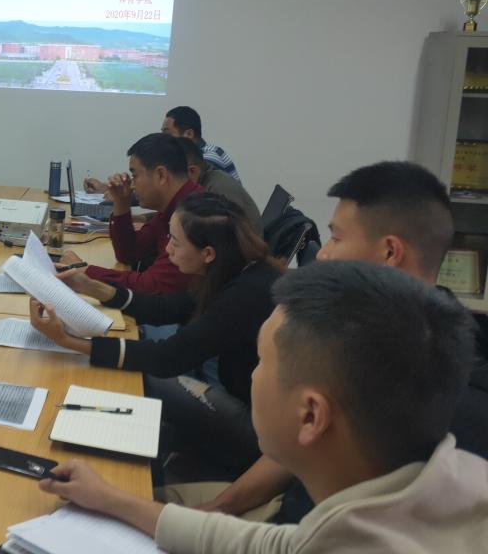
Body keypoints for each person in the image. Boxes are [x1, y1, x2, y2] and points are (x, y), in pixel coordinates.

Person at [39, 260, 488, 553]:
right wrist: (110, 498)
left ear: (310, 416)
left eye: (262, 363)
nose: (251, 376)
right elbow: (274, 545)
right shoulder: (442, 480)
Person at [182, 160, 488, 523]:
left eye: (336, 238)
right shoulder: (362, 330)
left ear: (390, 253)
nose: (323, 254)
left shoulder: (449, 386)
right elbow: (297, 445)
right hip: (284, 516)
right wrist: (220, 507)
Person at [31, 192, 282, 476]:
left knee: (140, 378)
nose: (167, 249)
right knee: (127, 367)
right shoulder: (231, 267)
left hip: (258, 430)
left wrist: (69, 342)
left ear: (208, 253)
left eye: (175, 242)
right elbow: (164, 308)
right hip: (233, 391)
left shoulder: (245, 294)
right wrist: (90, 286)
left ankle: (146, 469)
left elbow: (166, 359)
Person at [64, 133, 204, 296]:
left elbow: (151, 285)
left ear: (161, 175)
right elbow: (129, 253)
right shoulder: (169, 209)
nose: (132, 185)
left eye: (135, 176)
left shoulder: (194, 214)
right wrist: (121, 203)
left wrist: (86, 271)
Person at [176, 137, 262, 234]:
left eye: (174, 175)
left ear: (192, 171)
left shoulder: (217, 188)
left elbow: (228, 233)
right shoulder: (205, 180)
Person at [162, 106, 240, 181]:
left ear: (189, 134)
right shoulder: (188, 158)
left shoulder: (209, 157)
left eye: (167, 133)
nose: (163, 138)